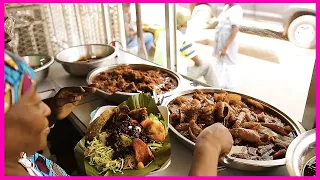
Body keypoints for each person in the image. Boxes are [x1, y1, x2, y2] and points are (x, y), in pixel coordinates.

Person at [153, 12, 219, 87]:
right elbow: (198, 62)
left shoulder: (162, 33)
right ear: (182, 24)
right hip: (176, 76)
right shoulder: (181, 37)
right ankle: (218, 91)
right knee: (207, 66)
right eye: (186, 22)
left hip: (159, 72)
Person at [212, 3, 243, 90]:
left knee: (229, 65)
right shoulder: (227, 7)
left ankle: (231, 88)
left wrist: (226, 47)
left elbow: (235, 29)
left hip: (228, 44)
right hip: (221, 43)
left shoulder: (237, 9)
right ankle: (219, 86)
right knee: (220, 63)